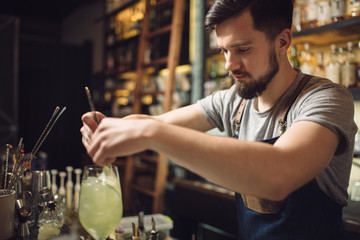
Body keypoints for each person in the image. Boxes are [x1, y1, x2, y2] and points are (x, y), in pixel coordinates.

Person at [81, 0, 357, 239]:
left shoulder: (326, 99)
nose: (229, 64)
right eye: (224, 50)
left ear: (283, 41)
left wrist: (150, 133)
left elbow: (279, 175)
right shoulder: (235, 100)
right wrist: (109, 127)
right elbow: (161, 123)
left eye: (242, 49)